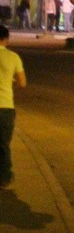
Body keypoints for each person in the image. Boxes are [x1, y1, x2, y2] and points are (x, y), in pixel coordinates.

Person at [0, 25, 28, 189]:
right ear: (6, 39)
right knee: (3, 144)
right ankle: (4, 178)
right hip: (5, 107)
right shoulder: (13, 57)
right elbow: (22, 83)